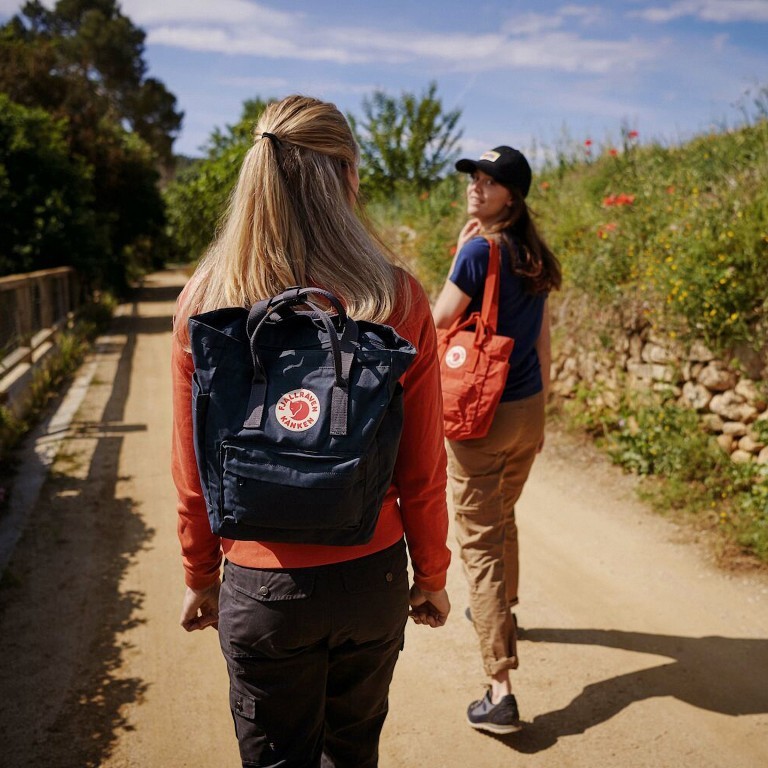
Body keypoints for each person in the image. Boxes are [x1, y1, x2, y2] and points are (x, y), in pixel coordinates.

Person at [171, 95, 451, 768]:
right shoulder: (395, 296)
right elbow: (422, 465)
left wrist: (200, 572)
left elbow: (194, 471)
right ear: (347, 176)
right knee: (352, 753)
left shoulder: (207, 300)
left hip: (261, 589)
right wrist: (432, 573)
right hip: (371, 577)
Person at [432, 146, 561, 734]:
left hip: (479, 413)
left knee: (479, 541)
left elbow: (438, 320)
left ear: (513, 194)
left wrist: (460, 252)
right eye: (474, 178)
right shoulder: (532, 252)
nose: (476, 187)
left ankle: (499, 687)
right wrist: (544, 412)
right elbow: (542, 340)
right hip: (527, 408)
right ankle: (503, 612)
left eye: (489, 181)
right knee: (502, 512)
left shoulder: (479, 250)